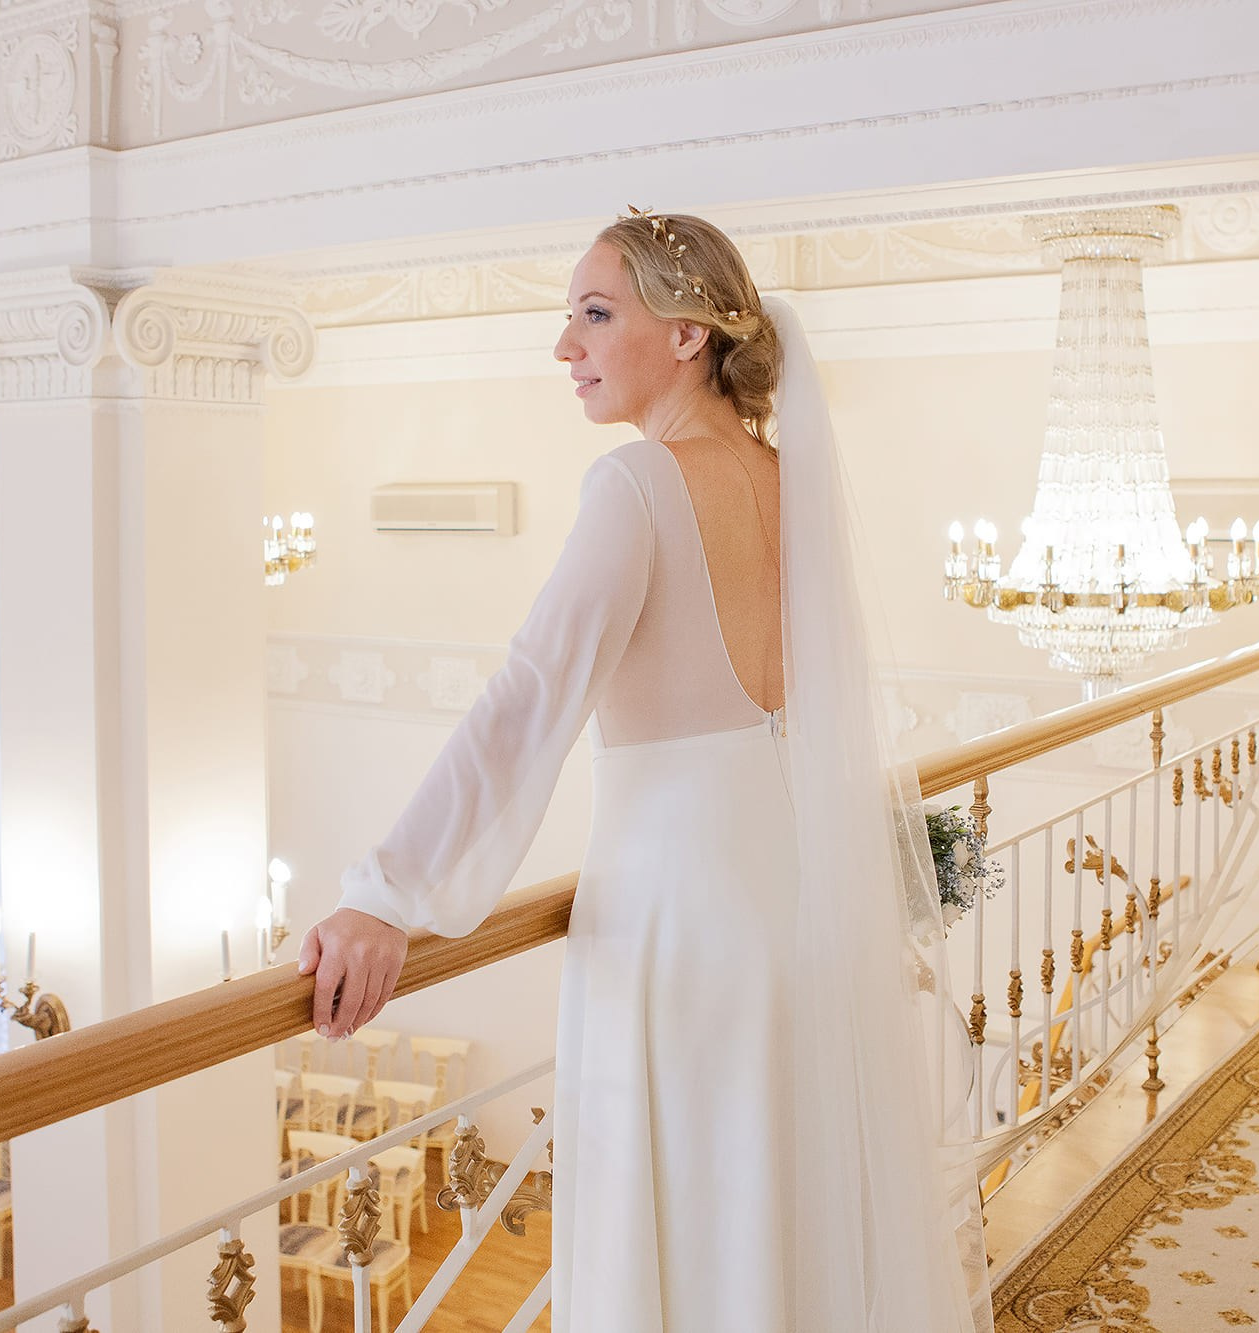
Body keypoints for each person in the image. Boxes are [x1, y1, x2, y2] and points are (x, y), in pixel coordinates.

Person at [299, 208, 992, 1330]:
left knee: (687, 1227)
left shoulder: (634, 486)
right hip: (794, 901)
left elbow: (530, 693)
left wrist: (386, 892)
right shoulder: (783, 474)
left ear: (685, 335)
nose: (563, 346)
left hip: (677, 925)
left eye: (593, 312)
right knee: (780, 1203)